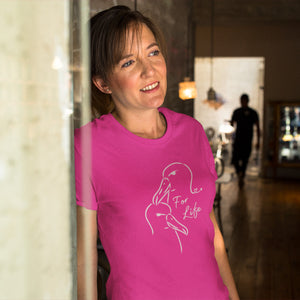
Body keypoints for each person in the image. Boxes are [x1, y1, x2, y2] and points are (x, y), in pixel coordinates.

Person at [75, 5, 239, 300]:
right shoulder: (87, 146)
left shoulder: (192, 132)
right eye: (128, 62)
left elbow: (212, 235)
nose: (149, 70)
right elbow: (85, 260)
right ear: (102, 83)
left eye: (153, 53)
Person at [230, 93, 260, 187]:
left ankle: (241, 175)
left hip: (246, 140)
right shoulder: (237, 112)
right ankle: (240, 174)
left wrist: (258, 141)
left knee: (244, 160)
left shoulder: (252, 112)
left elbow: (258, 127)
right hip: (239, 139)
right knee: (235, 160)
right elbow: (233, 123)